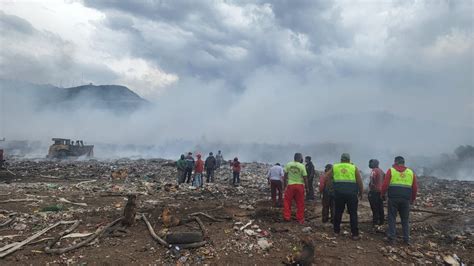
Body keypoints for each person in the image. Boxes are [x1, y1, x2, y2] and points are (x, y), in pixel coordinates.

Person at [325, 153, 363, 240]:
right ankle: (355, 234)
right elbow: (359, 181)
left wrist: (330, 188)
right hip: (352, 194)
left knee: (338, 212)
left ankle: (336, 231)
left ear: (341, 159)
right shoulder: (354, 167)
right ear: (349, 160)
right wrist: (360, 193)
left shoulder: (335, 167)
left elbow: (327, 177)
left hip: (339, 193)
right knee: (353, 213)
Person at [381, 156, 418, 245]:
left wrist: (382, 195)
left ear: (396, 162)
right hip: (405, 199)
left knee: (392, 218)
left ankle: (392, 238)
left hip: (393, 199)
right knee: (405, 219)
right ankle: (406, 239)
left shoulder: (391, 170)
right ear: (403, 163)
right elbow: (415, 188)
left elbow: (385, 185)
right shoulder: (410, 172)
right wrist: (412, 199)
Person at [283, 153, 308, 224]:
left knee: (287, 201)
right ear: (300, 158)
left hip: (290, 185)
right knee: (300, 203)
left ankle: (287, 217)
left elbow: (285, 176)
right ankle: (300, 218)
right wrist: (307, 187)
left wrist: (284, 185)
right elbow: (305, 178)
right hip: (299, 186)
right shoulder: (302, 166)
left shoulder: (288, 164)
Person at [368, 159, 385, 226]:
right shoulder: (381, 171)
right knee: (380, 207)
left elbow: (372, 179)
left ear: (374, 163)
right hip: (380, 192)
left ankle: (375, 223)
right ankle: (381, 222)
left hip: (374, 192)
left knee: (374, 208)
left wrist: (371, 187)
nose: (369, 164)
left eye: (371, 163)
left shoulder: (374, 170)